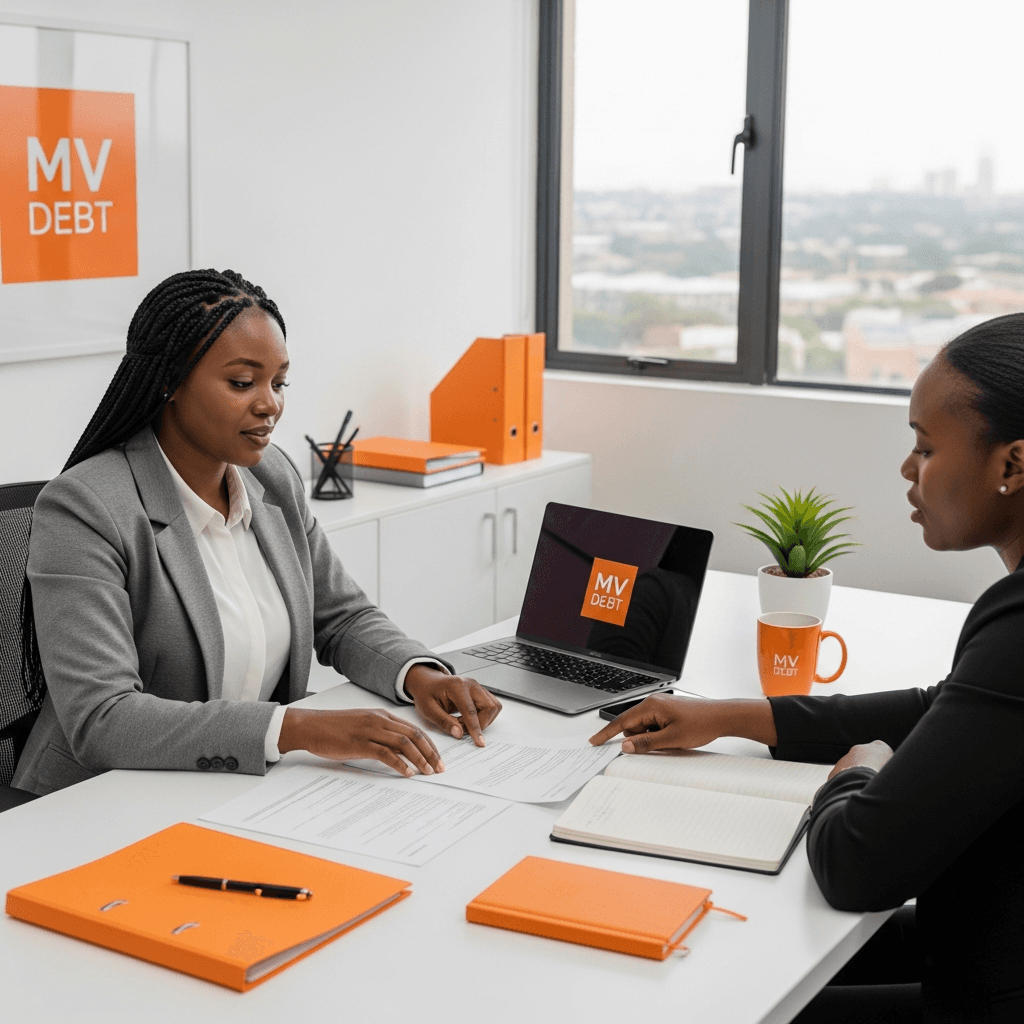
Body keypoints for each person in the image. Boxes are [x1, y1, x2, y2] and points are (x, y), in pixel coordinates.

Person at [590, 312, 1024, 1023]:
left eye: (924, 448)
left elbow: (858, 864)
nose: (908, 471)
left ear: (1012, 463)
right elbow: (939, 708)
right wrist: (731, 716)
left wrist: (859, 772)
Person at [15, 269, 501, 796]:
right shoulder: (86, 507)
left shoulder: (273, 478)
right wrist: (296, 729)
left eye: (279, 382)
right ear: (169, 383)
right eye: (242, 383)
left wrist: (419, 675)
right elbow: (104, 718)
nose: (270, 404)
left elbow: (341, 616)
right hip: (98, 798)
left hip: (237, 785)